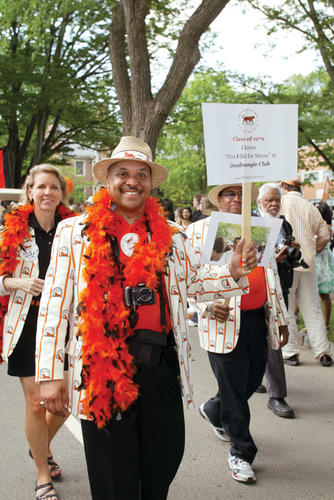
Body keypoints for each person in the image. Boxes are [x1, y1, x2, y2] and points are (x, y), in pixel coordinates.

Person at [35, 137, 257, 500]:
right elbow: (54, 306)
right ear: (108, 179)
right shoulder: (73, 232)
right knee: (112, 478)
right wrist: (49, 375)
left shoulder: (171, 234)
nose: (132, 180)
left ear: (150, 182)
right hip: (101, 373)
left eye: (141, 173)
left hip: (161, 369)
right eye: (122, 172)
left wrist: (231, 270)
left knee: (162, 462)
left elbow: (194, 283)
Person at [186, 182, 289, 484]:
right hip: (223, 322)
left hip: (257, 319)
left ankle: (214, 409)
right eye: (230, 194)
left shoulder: (262, 229)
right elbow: (186, 278)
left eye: (242, 194)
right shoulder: (197, 232)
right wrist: (204, 309)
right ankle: (241, 452)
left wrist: (281, 318)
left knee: (252, 381)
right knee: (234, 392)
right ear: (217, 199)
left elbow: (270, 277)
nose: (236, 199)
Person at [0, 165, 75, 500]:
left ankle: (39, 446)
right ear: (29, 190)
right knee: (35, 403)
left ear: (61, 193)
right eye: (41, 186)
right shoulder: (11, 232)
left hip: (66, 325)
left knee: (67, 400)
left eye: (54, 187)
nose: (47, 193)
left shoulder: (73, 229)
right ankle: (42, 472)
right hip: (27, 324)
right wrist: (17, 282)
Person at [280, 179, 332, 367]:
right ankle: (323, 351)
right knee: (313, 308)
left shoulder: (281, 202)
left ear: (284, 186)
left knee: (287, 307)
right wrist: (315, 249)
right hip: (308, 261)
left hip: (287, 262)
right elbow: (326, 234)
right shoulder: (311, 207)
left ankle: (291, 352)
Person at [256, 183, 295, 418]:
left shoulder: (284, 223)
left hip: (280, 286)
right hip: (259, 288)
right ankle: (274, 393)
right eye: (269, 200)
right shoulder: (251, 222)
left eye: (277, 200)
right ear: (259, 202)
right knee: (264, 340)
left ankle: (274, 392)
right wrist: (273, 258)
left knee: (274, 339)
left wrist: (293, 252)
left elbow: (289, 255)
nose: (273, 204)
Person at [314, 201, 334, 333]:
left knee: (324, 294)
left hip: (322, 263)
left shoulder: (326, 227)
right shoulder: (316, 226)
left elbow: (319, 248)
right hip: (316, 260)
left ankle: (325, 325)